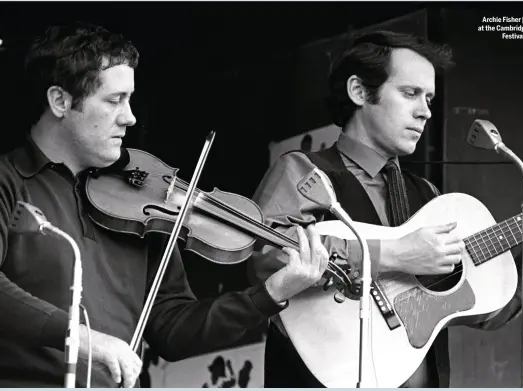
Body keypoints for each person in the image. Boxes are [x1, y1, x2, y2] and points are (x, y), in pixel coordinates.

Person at [248, 30, 523, 388]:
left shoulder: (427, 195)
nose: (425, 111)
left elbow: (492, 314)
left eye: (429, 98)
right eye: (410, 93)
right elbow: (267, 257)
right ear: (359, 91)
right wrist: (396, 255)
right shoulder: (305, 170)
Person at [0, 23, 329, 388]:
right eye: (113, 100)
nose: (130, 117)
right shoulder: (8, 181)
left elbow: (172, 328)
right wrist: (83, 339)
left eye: (130, 99)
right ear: (60, 101)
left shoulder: (143, 203)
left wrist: (270, 294)